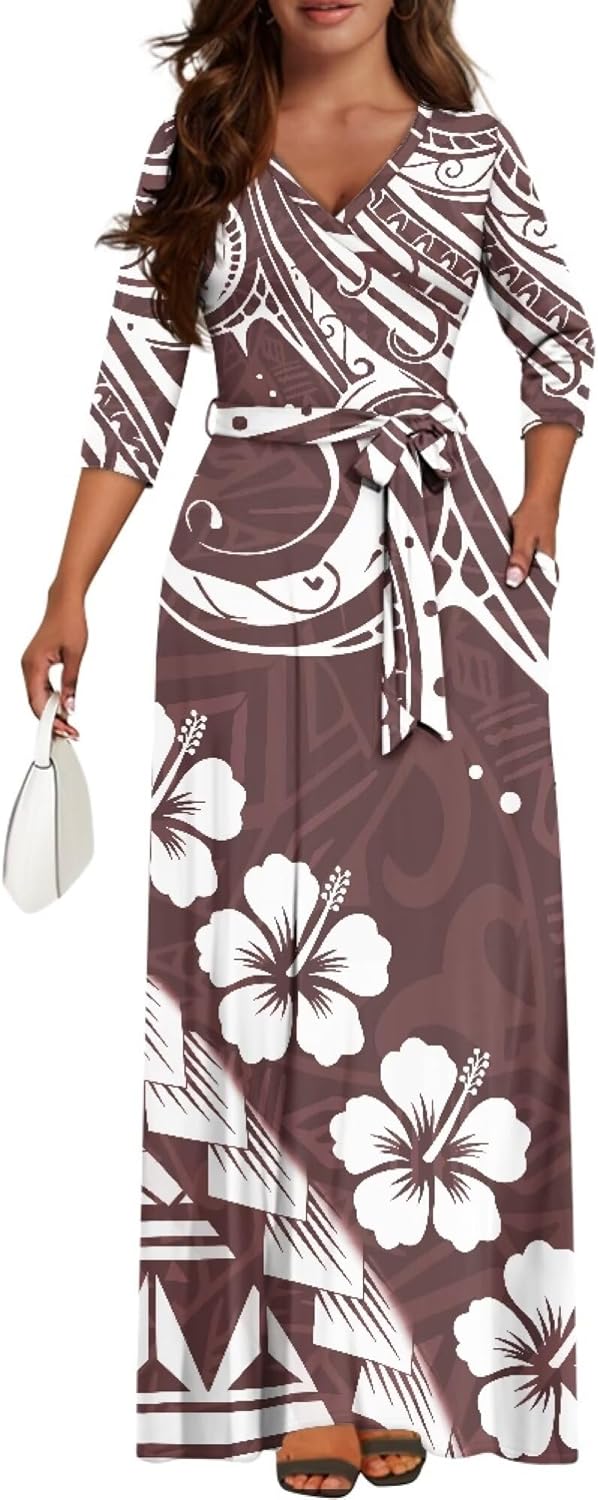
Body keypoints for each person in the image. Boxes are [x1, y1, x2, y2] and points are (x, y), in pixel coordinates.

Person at [20, 0, 594, 1489]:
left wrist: (537, 509)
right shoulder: (200, 144)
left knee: (455, 969)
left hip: (443, 588)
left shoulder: (472, 154)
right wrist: (69, 589)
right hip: (235, 587)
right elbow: (138, 375)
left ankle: (439, 1363)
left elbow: (560, 340)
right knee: (251, 974)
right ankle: (296, 1385)